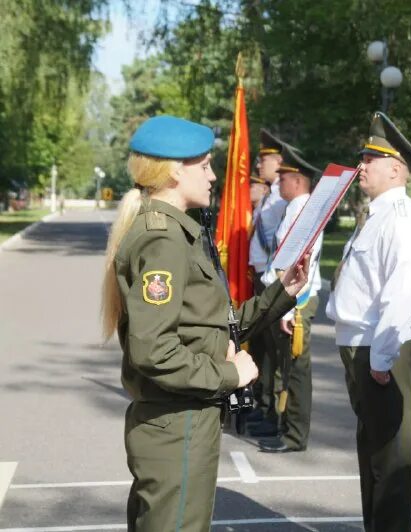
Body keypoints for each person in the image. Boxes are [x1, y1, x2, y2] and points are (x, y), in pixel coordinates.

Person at [99, 115, 308, 531]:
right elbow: (153, 350)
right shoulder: (163, 240)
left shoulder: (179, 233)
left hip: (184, 421)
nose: (214, 176)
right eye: (206, 166)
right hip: (178, 425)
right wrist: (228, 374)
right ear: (176, 170)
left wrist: (281, 292)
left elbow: (212, 325)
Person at [326, 111, 411, 532]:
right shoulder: (376, 215)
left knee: (390, 459)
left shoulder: (402, 218)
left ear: (396, 168)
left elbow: (401, 294)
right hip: (363, 346)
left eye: (370, 159)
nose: (361, 167)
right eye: (362, 158)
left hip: (381, 349)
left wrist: (382, 358)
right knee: (372, 451)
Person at [259, 148, 323, 453]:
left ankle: (295, 434)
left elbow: (303, 263)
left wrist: (293, 306)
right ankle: (285, 427)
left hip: (296, 300)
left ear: (296, 181)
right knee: (285, 365)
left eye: (282, 177)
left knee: (295, 368)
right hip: (284, 297)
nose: (278, 182)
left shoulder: (306, 210)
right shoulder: (294, 208)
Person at [247, 129, 295, 437]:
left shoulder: (281, 197)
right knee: (263, 348)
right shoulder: (270, 195)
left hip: (274, 278)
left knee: (280, 355)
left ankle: (279, 416)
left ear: (278, 161)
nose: (258, 164)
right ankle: (263, 406)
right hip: (262, 276)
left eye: (264, 159)